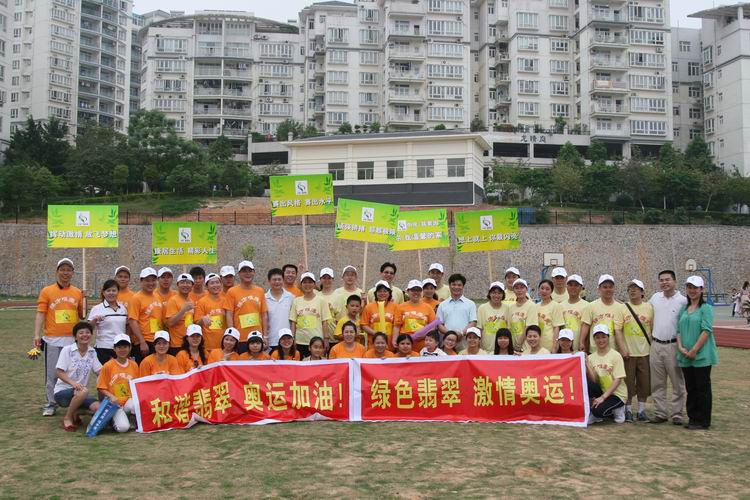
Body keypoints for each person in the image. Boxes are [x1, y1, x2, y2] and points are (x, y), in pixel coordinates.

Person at [35, 258, 84, 417]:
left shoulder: (77, 292)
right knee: (52, 373)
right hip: (52, 340)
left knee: (71, 373)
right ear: (57, 271)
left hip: (71, 340)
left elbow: (82, 315)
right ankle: (51, 403)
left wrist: (84, 300)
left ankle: (73, 401)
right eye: (62, 270)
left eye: (68, 270)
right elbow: (41, 313)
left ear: (73, 273)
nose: (65, 273)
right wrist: (36, 334)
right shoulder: (47, 291)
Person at [677, 276, 719, 430]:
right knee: (691, 388)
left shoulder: (705, 308)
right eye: (689, 287)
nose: (692, 290)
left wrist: (694, 350)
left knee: (702, 388)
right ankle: (693, 417)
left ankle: (703, 420)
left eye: (695, 288)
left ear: (701, 289)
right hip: (685, 355)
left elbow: (706, 330)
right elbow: (678, 330)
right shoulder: (683, 309)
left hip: (701, 355)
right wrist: (681, 348)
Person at [649, 270, 688, 425]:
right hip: (656, 345)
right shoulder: (655, 298)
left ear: (675, 281)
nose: (664, 283)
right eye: (661, 280)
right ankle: (660, 413)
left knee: (677, 381)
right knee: (657, 383)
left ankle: (677, 414)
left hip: (673, 345)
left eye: (667, 279)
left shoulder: (682, 301)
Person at [54, 321, 101, 431]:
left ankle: (76, 411)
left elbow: (100, 371)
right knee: (83, 391)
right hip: (63, 393)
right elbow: (59, 372)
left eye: (87, 332)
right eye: (81, 333)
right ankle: (68, 417)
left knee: (99, 408)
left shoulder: (92, 352)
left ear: (91, 335)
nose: (85, 335)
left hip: (81, 394)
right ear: (75, 336)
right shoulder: (67, 350)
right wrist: (74, 384)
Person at [622, 279, 654, 423]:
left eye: (636, 288)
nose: (633, 290)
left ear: (642, 292)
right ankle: (628, 410)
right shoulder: (623, 308)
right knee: (628, 383)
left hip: (645, 352)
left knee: (644, 383)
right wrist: (623, 348)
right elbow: (618, 330)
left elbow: (652, 328)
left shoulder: (649, 308)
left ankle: (641, 411)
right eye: (630, 288)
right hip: (629, 353)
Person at [96, 333, 139, 433]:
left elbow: (137, 384)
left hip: (128, 401)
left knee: (135, 404)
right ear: (114, 349)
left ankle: (130, 418)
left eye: (125, 347)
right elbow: (101, 387)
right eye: (119, 347)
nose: (122, 350)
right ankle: (112, 418)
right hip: (114, 404)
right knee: (123, 428)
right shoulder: (108, 366)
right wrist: (111, 396)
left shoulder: (134, 365)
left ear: (130, 348)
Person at [224, 260, 269, 354]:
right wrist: (232, 336)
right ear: (239, 274)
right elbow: (229, 314)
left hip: (257, 338)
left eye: (250, 271)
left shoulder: (260, 291)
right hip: (240, 338)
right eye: (244, 271)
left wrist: (265, 336)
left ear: (254, 272)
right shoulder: (232, 292)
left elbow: (264, 314)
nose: (247, 273)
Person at [586, 324, 627, 424]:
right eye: (597, 337)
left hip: (616, 394)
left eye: (603, 337)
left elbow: (618, 380)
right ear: (594, 339)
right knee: (588, 384)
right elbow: (594, 381)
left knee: (597, 411)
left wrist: (603, 398)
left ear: (608, 338)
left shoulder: (616, 355)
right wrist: (586, 364)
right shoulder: (591, 358)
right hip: (602, 391)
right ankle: (597, 411)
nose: (601, 340)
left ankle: (618, 409)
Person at [579, 275, 627, 354]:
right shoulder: (591, 306)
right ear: (599, 289)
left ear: (614, 288)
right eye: (605, 287)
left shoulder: (621, 307)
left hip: (614, 350)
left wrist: (623, 348)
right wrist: (581, 342)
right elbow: (585, 325)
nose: (608, 289)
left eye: (610, 287)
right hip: (595, 350)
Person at [290, 272, 332, 358]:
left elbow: (324, 322)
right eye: (304, 282)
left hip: (317, 342)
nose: (307, 285)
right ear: (301, 284)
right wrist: (292, 339)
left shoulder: (321, 300)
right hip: (300, 341)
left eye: (310, 282)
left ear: (314, 284)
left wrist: (326, 339)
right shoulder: (296, 301)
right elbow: (293, 322)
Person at [88, 279, 128, 365]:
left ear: (118, 292)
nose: (111, 293)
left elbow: (126, 327)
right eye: (108, 290)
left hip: (120, 348)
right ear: (103, 292)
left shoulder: (123, 308)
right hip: (104, 348)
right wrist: (94, 320)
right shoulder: (97, 308)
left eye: (114, 290)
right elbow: (88, 329)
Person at [127, 267, 163, 361]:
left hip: (156, 340)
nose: (151, 283)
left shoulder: (157, 296)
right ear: (141, 281)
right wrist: (142, 341)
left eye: (153, 280)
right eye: (147, 280)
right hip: (144, 342)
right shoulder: (136, 298)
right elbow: (132, 320)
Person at [437, 273, 477, 350]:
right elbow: (439, 324)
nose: (456, 287)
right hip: (447, 342)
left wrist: (461, 333)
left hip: (464, 342)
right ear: (449, 286)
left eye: (459, 285)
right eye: (454, 284)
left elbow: (473, 322)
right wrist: (450, 334)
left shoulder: (470, 304)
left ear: (463, 286)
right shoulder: (442, 305)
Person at [393, 280, 436, 352]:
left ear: (421, 292)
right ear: (408, 291)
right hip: (404, 345)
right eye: (413, 290)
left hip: (422, 345)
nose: (416, 292)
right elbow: (397, 326)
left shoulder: (428, 308)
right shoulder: (400, 307)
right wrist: (394, 340)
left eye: (418, 290)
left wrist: (424, 335)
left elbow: (433, 326)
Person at [165, 273, 196, 356]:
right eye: (182, 282)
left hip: (189, 343)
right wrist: (183, 310)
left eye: (188, 283)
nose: (185, 285)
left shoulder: (191, 301)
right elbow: (169, 323)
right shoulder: (173, 300)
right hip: (177, 344)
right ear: (177, 285)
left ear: (192, 285)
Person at [194, 273, 227, 350]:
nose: (215, 285)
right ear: (207, 286)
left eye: (217, 282)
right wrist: (202, 319)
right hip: (208, 346)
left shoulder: (226, 300)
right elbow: (196, 324)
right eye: (212, 283)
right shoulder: (202, 302)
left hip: (225, 345)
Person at [265, 267, 294, 353]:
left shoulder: (290, 297)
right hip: (271, 340)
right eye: (274, 280)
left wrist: (293, 337)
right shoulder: (264, 298)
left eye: (279, 279)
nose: (277, 282)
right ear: (269, 281)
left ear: (283, 280)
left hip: (287, 341)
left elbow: (293, 320)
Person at [361, 280, 397, 346]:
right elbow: (364, 325)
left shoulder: (395, 306)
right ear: (376, 293)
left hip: (390, 344)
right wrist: (376, 334)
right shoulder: (369, 307)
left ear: (389, 293)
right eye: (380, 291)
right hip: (373, 343)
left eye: (385, 291)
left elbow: (397, 325)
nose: (382, 293)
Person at [507, 278, 539, 352]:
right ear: (513, 290)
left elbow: (529, 327)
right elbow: (509, 327)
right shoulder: (511, 307)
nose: (519, 290)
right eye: (516, 288)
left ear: (526, 289)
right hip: (513, 348)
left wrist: (518, 345)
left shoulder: (531, 306)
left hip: (526, 348)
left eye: (522, 288)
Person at [477, 282, 509, 353]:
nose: (496, 295)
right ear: (489, 293)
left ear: (503, 294)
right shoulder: (482, 308)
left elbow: (509, 328)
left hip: (502, 349)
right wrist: (479, 346)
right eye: (494, 292)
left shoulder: (507, 308)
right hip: (486, 348)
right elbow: (479, 329)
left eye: (499, 293)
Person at [536, 279, 565, 353]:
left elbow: (557, 327)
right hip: (537, 344)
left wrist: (555, 346)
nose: (544, 291)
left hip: (549, 345)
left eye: (547, 289)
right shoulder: (535, 306)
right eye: (542, 288)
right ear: (539, 290)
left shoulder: (556, 306)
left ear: (551, 291)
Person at [561, 275, 588, 351]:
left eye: (576, 285)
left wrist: (583, 344)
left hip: (579, 348)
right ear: (566, 287)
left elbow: (587, 328)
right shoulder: (560, 306)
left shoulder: (587, 306)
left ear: (581, 287)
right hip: (563, 349)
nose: (573, 287)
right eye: (570, 285)